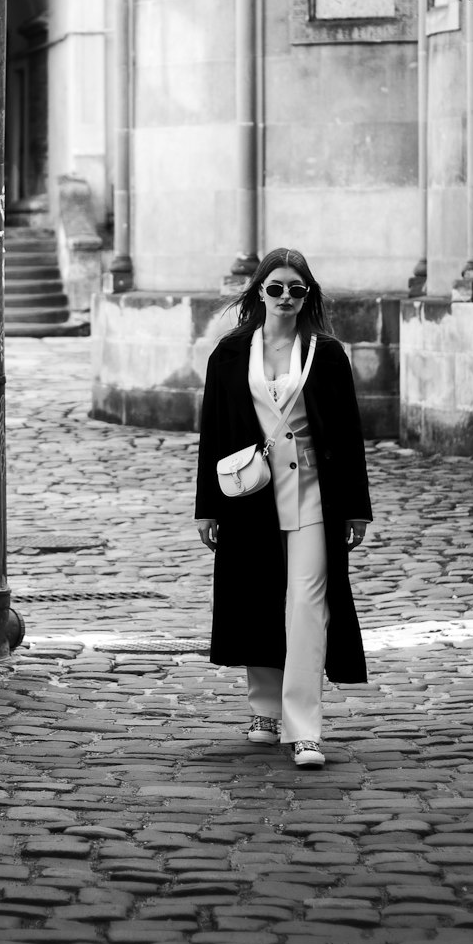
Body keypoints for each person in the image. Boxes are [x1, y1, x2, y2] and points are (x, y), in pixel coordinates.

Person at [194, 248, 371, 768]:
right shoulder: (228, 355)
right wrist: (208, 507)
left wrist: (356, 508)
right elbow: (214, 433)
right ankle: (264, 708)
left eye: (298, 289)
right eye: (276, 288)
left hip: (316, 491)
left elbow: (349, 432)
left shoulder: (327, 353)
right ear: (259, 293)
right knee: (259, 594)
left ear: (309, 295)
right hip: (251, 494)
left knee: (307, 604)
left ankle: (304, 728)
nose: (287, 297)